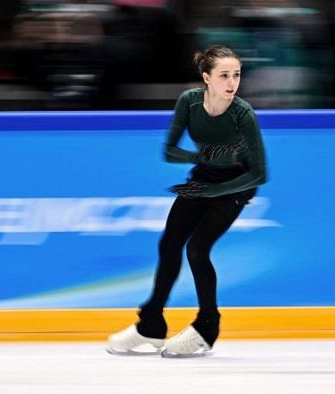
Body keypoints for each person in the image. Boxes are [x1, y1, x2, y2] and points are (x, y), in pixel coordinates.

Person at [107, 45, 267, 358]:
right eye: (224, 75)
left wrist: (213, 191)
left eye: (236, 75)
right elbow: (168, 151)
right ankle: (151, 324)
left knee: (197, 249)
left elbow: (259, 173)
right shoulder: (189, 102)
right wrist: (202, 157)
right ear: (207, 78)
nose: (232, 82)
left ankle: (207, 326)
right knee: (169, 244)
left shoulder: (243, 114)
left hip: (237, 185)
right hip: (203, 177)